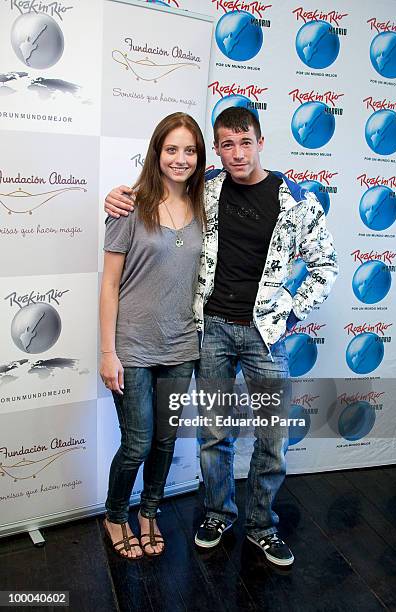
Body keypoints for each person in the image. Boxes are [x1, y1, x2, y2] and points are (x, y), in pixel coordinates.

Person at [104, 107, 338, 566]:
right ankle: (217, 513)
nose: (236, 153)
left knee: (273, 436)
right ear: (217, 149)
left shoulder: (296, 201)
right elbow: (157, 193)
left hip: (265, 336)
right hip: (210, 332)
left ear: (260, 141)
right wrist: (117, 196)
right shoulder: (206, 190)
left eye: (244, 142)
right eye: (226, 144)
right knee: (215, 433)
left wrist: (289, 309)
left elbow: (326, 266)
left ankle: (261, 526)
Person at [100, 112, 206, 559]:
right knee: (138, 442)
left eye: (190, 150)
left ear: (200, 157)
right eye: (172, 149)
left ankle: (150, 511)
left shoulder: (208, 204)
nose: (180, 159)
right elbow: (109, 284)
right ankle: (115, 514)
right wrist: (108, 351)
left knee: (165, 440)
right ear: (157, 152)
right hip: (134, 346)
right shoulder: (129, 205)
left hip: (183, 346)